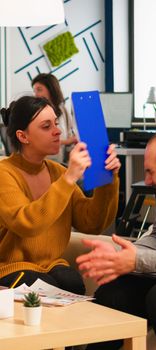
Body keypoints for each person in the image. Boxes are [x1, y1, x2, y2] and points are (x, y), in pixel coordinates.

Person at [77, 126, 156, 350]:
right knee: (114, 291)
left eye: (151, 172)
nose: (148, 181)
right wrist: (120, 257)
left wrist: (137, 261)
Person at [0, 95, 120, 295]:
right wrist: (69, 178)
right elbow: (27, 223)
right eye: (46, 126)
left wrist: (107, 179)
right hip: (11, 268)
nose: (58, 131)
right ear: (23, 136)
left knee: (72, 283)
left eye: (56, 123)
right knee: (42, 284)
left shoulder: (58, 171)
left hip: (53, 265)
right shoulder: (4, 173)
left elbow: (92, 223)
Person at [31, 73, 76, 163]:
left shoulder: (62, 109)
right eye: (34, 91)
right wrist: (68, 141)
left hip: (60, 160)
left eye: (39, 90)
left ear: (51, 90)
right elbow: (41, 141)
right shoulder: (35, 112)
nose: (36, 95)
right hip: (44, 161)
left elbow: (69, 133)